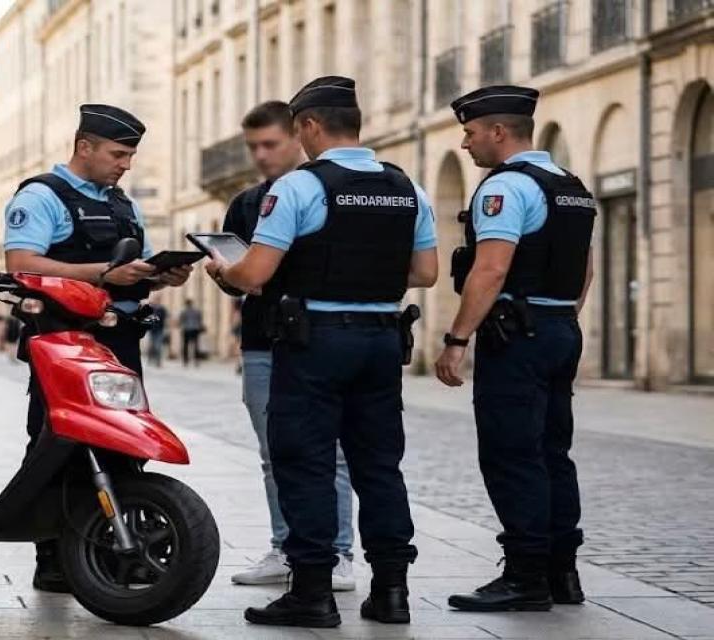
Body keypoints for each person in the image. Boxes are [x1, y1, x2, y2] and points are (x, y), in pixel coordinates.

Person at [207, 76, 437, 628]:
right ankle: (391, 591)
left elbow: (256, 274)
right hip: (382, 341)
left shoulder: (299, 188)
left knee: (304, 460)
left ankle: (311, 591)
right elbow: (425, 273)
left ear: (309, 125)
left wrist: (224, 269)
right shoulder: (406, 187)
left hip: (316, 341)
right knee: (380, 466)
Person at [3, 103, 191, 593]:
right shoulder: (43, 195)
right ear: (84, 147)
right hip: (62, 343)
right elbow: (22, 262)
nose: (125, 163)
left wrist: (160, 275)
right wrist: (102, 274)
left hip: (119, 342)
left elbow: (133, 270)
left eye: (129, 155)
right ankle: (52, 559)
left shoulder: (123, 203)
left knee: (124, 445)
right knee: (57, 446)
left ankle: (104, 551)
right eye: (118, 153)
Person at [435, 85, 596, 613]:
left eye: (471, 132)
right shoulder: (570, 186)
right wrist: (560, 317)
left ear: (499, 132)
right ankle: (561, 574)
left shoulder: (505, 188)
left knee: (512, 455)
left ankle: (525, 576)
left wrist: (457, 339)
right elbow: (586, 267)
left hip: (517, 335)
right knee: (554, 452)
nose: (466, 144)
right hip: (557, 328)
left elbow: (491, 267)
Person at [221, 101, 356, 591]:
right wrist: (224, 272)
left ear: (299, 136)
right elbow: (239, 283)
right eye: (252, 146)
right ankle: (285, 547)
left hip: (316, 338)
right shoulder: (245, 203)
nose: (260, 155)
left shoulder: (327, 191)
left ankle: (338, 553)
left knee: (330, 452)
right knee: (273, 452)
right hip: (261, 340)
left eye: (270, 144)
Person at [179, 299, 204, 366]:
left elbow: (181, 320)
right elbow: (200, 320)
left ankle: (185, 360)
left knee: (185, 345)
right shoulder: (197, 311)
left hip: (186, 329)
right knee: (196, 345)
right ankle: (196, 360)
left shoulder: (183, 311)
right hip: (195, 329)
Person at [145, 296, 169, 367]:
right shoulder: (151, 308)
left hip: (159, 330)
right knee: (151, 346)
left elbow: (164, 318)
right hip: (152, 329)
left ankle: (158, 362)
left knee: (158, 346)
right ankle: (150, 360)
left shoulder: (162, 309)